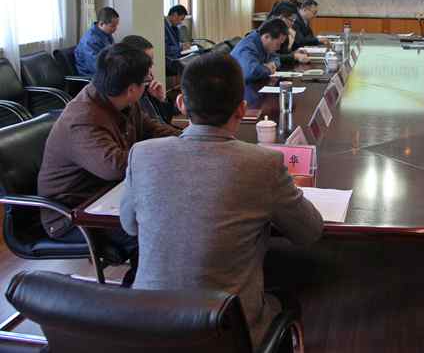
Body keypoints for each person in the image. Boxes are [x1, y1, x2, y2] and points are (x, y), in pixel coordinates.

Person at [121, 52, 323, 347]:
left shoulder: (142, 154)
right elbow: (309, 232)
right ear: (242, 109)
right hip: (225, 333)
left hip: (146, 329)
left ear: (181, 104)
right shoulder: (263, 164)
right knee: (290, 295)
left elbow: (129, 226)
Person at [38, 43, 180, 276]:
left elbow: (152, 129)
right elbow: (115, 166)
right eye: (147, 79)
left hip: (108, 195)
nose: (150, 82)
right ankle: (139, 291)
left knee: (172, 213)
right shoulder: (83, 118)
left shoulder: (120, 100)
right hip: (71, 215)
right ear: (132, 89)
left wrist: (186, 140)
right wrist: (165, 152)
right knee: (159, 230)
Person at [121, 35, 178, 124]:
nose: (151, 66)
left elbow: (165, 121)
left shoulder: (148, 87)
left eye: (151, 61)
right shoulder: (127, 97)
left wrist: (161, 99)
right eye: (147, 62)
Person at [231, 18, 287, 83]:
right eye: (278, 44)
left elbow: (276, 58)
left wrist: (273, 64)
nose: (279, 48)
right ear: (266, 37)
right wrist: (268, 69)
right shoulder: (247, 46)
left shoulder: (265, 45)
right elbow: (251, 72)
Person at [75, 7, 119, 76]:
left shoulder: (106, 33)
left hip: (106, 69)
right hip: (92, 75)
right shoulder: (90, 40)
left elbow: (113, 53)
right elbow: (96, 67)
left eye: (116, 25)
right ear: (101, 24)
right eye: (112, 26)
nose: (115, 28)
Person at [164, 4, 190, 75]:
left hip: (177, 56)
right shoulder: (163, 26)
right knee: (193, 65)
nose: (181, 22)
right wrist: (181, 48)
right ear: (175, 15)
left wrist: (182, 45)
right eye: (181, 19)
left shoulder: (174, 26)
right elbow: (165, 49)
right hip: (169, 61)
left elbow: (175, 43)